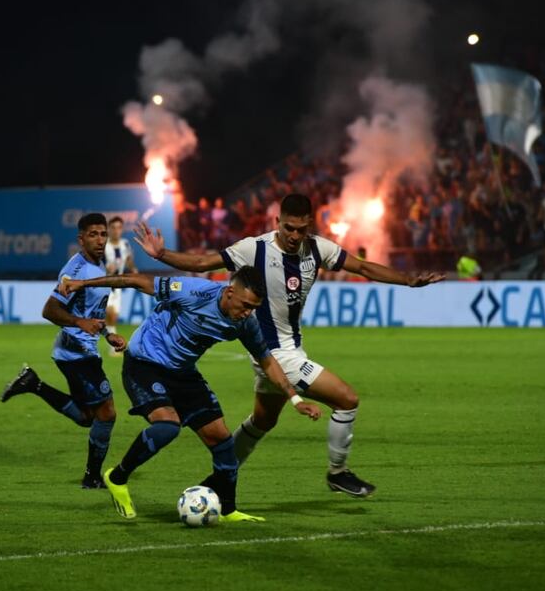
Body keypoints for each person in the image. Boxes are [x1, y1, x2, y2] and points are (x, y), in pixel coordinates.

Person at [134, 193, 444, 497]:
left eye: (301, 229)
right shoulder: (253, 248)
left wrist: (407, 280)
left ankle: (218, 480)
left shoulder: (317, 249)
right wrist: (162, 255)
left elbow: (362, 267)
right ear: (277, 222)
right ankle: (338, 473)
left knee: (263, 420)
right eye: (288, 228)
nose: (295, 236)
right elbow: (202, 262)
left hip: (291, 348)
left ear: (310, 225)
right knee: (347, 399)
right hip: (274, 354)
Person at [57, 266, 321, 521]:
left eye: (253, 308)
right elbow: (136, 281)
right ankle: (117, 477)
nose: (247, 312)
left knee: (222, 440)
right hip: (144, 363)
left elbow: (267, 361)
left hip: (183, 373)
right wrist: (81, 284)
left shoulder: (245, 324)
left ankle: (228, 510)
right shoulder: (193, 291)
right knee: (168, 426)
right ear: (229, 292)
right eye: (244, 305)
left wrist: (294, 399)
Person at [0, 213, 126, 489]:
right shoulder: (76, 271)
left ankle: (33, 384)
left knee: (87, 417)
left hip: (80, 350)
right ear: (80, 239)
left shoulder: (99, 264)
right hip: (75, 353)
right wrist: (79, 323)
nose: (99, 239)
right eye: (93, 234)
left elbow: (91, 311)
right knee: (107, 414)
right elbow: (50, 310)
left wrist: (107, 334)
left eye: (103, 234)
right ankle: (92, 477)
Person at [103, 216, 137, 356]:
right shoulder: (104, 245)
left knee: (113, 317)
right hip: (104, 285)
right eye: (113, 228)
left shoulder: (125, 244)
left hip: (117, 286)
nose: (116, 231)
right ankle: (113, 346)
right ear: (109, 229)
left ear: (122, 229)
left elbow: (129, 260)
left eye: (119, 228)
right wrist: (106, 269)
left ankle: (112, 343)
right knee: (109, 313)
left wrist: (133, 268)